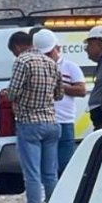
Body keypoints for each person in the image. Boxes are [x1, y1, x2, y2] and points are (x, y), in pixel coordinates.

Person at [3, 31, 63, 203]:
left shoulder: (23, 61)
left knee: (32, 173)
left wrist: (10, 94)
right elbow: (59, 94)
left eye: (14, 51)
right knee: (50, 174)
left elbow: (12, 92)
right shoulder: (51, 62)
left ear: (19, 47)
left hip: (29, 123)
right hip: (52, 123)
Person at [32, 29, 87, 175]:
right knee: (47, 168)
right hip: (43, 123)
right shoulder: (34, 68)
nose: (47, 57)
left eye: (49, 53)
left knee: (64, 166)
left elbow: (81, 90)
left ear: (58, 48)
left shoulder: (70, 67)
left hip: (64, 123)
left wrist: (57, 85)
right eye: (43, 54)